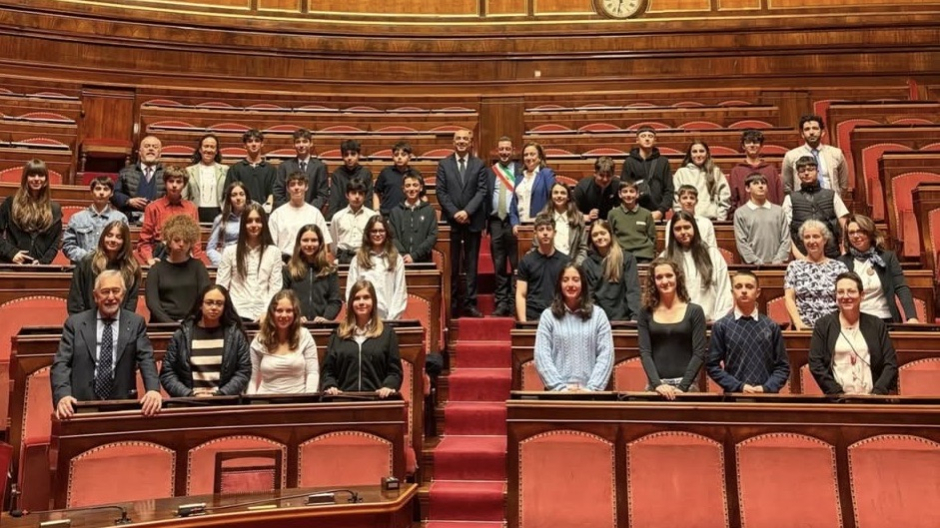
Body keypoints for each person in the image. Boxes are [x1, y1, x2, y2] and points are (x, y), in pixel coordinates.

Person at [51, 270, 162, 419]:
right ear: (96, 296)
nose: (111, 297)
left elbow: (146, 359)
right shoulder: (75, 324)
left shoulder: (136, 323)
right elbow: (61, 364)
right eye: (105, 292)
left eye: (116, 291)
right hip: (81, 405)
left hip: (122, 405)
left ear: (122, 294)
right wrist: (63, 396)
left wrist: (153, 390)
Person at [808, 272, 898, 395]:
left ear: (862, 295)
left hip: (874, 401)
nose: (845, 296)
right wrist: (837, 393)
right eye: (840, 292)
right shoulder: (823, 325)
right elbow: (815, 364)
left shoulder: (877, 324)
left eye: (851, 291)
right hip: (837, 402)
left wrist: (877, 393)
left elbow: (890, 364)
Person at [160, 285, 251, 397]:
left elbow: (243, 371)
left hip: (224, 404)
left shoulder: (236, 336)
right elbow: (167, 373)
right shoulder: (182, 335)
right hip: (188, 403)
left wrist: (220, 394)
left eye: (219, 303)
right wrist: (189, 394)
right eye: (209, 302)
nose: (214, 307)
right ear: (200, 305)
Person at [707, 271, 790, 393]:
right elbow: (712, 366)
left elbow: (783, 367)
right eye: (738, 286)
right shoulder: (721, 326)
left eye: (749, 286)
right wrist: (738, 386)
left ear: (758, 292)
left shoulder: (771, 326)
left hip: (767, 399)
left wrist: (766, 388)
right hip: (734, 398)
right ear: (732, 292)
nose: (744, 290)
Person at [534, 265, 614, 392]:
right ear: (559, 284)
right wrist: (560, 388)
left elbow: (606, 355)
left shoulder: (599, 315)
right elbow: (542, 356)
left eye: (575, 279)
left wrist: (591, 389)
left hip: (591, 396)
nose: (570, 284)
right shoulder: (548, 316)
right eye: (565, 280)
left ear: (583, 283)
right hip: (557, 396)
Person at [637, 258, 707, 399]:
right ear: (653, 282)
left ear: (677, 278)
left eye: (669, 275)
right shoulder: (645, 312)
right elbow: (645, 353)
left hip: (687, 387)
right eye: (659, 277)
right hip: (656, 387)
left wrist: (682, 388)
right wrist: (657, 385)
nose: (664, 281)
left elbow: (699, 353)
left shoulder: (695, 311)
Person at [436, 128, 487, 318]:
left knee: (472, 265)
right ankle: (454, 303)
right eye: (458, 138)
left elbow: (482, 191)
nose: (462, 141)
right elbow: (441, 192)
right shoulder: (444, 164)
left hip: (472, 221)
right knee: (452, 264)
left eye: (465, 139)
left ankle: (470, 304)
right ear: (453, 141)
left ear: (471, 142)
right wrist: (455, 212)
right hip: (451, 222)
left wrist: (467, 211)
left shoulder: (479, 165)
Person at [321, 280, 402, 397]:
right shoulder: (338, 334)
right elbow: (328, 371)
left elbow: (395, 372)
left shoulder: (387, 334)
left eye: (366, 297)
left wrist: (388, 386)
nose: (361, 302)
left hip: (377, 401)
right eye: (357, 298)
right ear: (350, 303)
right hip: (344, 400)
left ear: (373, 301)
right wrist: (330, 385)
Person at [838, 214, 919, 323]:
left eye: (861, 231)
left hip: (885, 319)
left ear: (870, 233)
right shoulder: (842, 262)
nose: (856, 236)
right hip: (854, 321)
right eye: (851, 233)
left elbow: (901, 287)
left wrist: (912, 317)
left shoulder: (887, 258)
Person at [216, 204, 283, 322]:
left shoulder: (274, 252)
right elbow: (222, 286)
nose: (254, 225)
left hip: (265, 315)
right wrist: (230, 313)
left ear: (264, 224)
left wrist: (267, 312)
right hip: (235, 314)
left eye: (258, 221)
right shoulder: (230, 251)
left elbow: (275, 288)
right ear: (243, 225)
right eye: (249, 221)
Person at [662, 210, 732, 321]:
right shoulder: (665, 258)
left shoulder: (712, 254)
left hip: (710, 321)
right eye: (678, 229)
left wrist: (718, 321)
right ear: (672, 232)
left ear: (694, 228)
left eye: (687, 227)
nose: (683, 232)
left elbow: (724, 289)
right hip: (677, 323)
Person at [247, 290, 319, 394]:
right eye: (279, 310)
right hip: (266, 401)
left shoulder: (305, 336)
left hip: (299, 401)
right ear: (272, 313)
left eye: (289, 311)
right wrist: (252, 405)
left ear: (295, 313)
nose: (284, 315)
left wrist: (308, 400)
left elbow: (313, 373)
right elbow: (251, 379)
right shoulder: (259, 340)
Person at [784, 220, 849, 330]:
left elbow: (846, 298)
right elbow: (789, 298)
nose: (811, 241)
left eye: (816, 236)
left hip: (834, 328)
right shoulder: (794, 267)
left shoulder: (839, 267)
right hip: (804, 328)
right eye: (807, 237)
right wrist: (798, 324)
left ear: (824, 239)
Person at [145, 214, 211, 323]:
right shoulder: (156, 270)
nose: (181, 244)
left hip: (192, 325)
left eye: (186, 241)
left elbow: (204, 298)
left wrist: (188, 324)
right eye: (177, 240)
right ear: (168, 241)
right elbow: (153, 304)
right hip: (162, 326)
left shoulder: (198, 267)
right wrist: (171, 324)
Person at [135, 165, 205, 266]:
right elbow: (144, 241)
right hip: (161, 256)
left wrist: (197, 262)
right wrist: (150, 260)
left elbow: (196, 241)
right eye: (171, 181)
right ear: (165, 183)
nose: (174, 185)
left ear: (184, 184)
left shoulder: (191, 208)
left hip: (185, 256)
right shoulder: (153, 207)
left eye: (179, 182)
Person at [783, 155, 849, 259]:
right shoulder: (790, 198)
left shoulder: (832, 195)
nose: (806, 173)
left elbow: (845, 224)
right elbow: (784, 230)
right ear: (798, 174)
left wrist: (844, 250)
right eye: (802, 170)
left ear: (817, 171)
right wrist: (797, 254)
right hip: (802, 254)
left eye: (810, 169)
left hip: (831, 253)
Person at [67, 220, 140, 315]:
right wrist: (82, 324)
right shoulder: (88, 262)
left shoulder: (132, 267)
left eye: (118, 237)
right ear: (103, 237)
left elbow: (131, 303)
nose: (113, 240)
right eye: (109, 235)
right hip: (88, 322)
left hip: (119, 323)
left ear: (125, 241)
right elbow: (76, 299)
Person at [0, 159, 62, 264]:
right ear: (25, 178)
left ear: (46, 179)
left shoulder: (54, 209)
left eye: (41, 175)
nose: (37, 179)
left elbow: (55, 242)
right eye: (32, 175)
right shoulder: (10, 203)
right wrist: (11, 253)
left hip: (39, 268)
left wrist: (43, 262)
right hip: (11, 264)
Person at [346, 215, 407, 320]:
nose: (378, 234)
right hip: (363, 319)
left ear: (387, 233)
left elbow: (400, 291)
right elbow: (351, 291)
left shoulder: (396, 259)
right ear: (368, 234)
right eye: (374, 231)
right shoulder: (358, 259)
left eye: (381, 231)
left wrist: (392, 319)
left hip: (388, 318)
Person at [581, 220, 641, 322]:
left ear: (610, 234)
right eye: (595, 235)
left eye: (603, 233)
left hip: (625, 318)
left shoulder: (627, 259)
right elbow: (589, 296)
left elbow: (632, 290)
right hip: (599, 320)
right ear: (591, 239)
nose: (600, 237)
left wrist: (635, 316)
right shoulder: (587, 264)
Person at [485, 136, 518, 316]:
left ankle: (514, 302)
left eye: (507, 149)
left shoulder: (519, 171)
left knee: (515, 264)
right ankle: (501, 303)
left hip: (514, 223)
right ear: (497, 152)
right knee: (498, 264)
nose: (504, 152)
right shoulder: (491, 172)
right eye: (501, 149)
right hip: (496, 221)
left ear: (512, 151)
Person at [283, 224, 342, 322]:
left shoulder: (330, 270)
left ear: (320, 243)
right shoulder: (288, 270)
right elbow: (284, 299)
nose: (309, 244)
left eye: (314, 240)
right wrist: (294, 316)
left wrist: (326, 318)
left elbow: (335, 301)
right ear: (299, 243)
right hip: (295, 324)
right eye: (305, 240)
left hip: (321, 325)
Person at [63, 175, 128, 264]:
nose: (101, 193)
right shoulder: (77, 218)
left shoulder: (120, 218)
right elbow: (68, 246)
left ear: (111, 193)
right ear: (91, 192)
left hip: (111, 269)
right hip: (83, 267)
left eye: (105, 189)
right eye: (98, 189)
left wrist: (106, 259)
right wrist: (90, 258)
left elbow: (125, 246)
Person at [516, 213, 569, 322]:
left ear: (554, 233)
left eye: (549, 229)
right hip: (532, 315)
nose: (545, 233)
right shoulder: (526, 261)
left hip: (558, 314)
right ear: (535, 234)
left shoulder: (566, 262)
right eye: (541, 229)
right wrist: (524, 323)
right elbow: (521, 294)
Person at [268, 171, 331, 259]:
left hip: (310, 261)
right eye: (292, 184)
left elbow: (325, 243)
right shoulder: (277, 214)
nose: (296, 187)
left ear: (306, 187)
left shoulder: (315, 213)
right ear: (287, 188)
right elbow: (271, 247)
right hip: (285, 263)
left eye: (300, 184)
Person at [782, 114, 849, 197]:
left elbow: (844, 185)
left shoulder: (836, 153)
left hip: (831, 203)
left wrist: (836, 199)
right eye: (807, 129)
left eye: (815, 128)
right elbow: (787, 187)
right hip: (804, 204)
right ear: (802, 134)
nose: (811, 132)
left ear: (822, 132)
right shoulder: (791, 156)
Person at [733, 173, 791, 265]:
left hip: (777, 266)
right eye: (756, 183)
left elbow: (786, 239)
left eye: (763, 183)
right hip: (751, 267)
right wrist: (755, 261)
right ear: (747, 188)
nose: (760, 186)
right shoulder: (740, 213)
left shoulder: (779, 211)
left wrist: (778, 260)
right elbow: (741, 242)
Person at [619, 127, 674, 221]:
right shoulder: (629, 162)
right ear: (637, 140)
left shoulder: (663, 162)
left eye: (650, 136)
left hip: (657, 213)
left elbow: (669, 189)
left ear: (655, 140)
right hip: (634, 212)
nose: (647, 139)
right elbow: (624, 188)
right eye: (643, 136)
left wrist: (661, 211)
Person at [728, 129, 784, 213]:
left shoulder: (770, 170)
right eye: (748, 142)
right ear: (743, 146)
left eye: (756, 142)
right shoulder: (736, 171)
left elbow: (779, 196)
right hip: (746, 217)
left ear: (761, 145)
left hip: (769, 215)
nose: (752, 145)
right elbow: (733, 199)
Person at [672, 141, 731, 221]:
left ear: (707, 154)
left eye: (702, 151)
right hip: (687, 220)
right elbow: (675, 198)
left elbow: (725, 198)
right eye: (694, 152)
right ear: (690, 154)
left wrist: (720, 218)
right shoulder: (681, 173)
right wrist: (681, 218)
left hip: (712, 220)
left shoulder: (716, 172)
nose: (698, 155)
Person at [273, 128, 328, 210]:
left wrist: (308, 210)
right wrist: (287, 209)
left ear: (311, 143)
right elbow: (278, 192)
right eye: (298, 142)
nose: (301, 145)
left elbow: (322, 194)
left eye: (305, 141)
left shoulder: (320, 167)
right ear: (294, 145)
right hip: (288, 212)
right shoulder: (284, 166)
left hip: (311, 213)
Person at [389, 173, 438, 264]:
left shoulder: (429, 211)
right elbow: (392, 237)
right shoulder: (395, 212)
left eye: (415, 185)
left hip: (423, 261)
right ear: (403, 189)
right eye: (408, 186)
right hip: (400, 261)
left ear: (421, 188)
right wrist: (404, 256)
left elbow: (432, 236)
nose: (411, 189)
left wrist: (414, 256)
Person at [113, 135, 164, 222]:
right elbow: (115, 194)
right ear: (140, 152)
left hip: (159, 219)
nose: (151, 149)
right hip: (130, 219)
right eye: (147, 146)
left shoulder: (167, 173)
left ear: (160, 154)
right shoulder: (126, 172)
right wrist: (129, 201)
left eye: (155, 147)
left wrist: (158, 205)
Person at [224, 129, 276, 213]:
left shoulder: (271, 170)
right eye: (250, 141)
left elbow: (273, 192)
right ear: (245, 145)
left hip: (264, 214)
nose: (254, 144)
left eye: (257, 141)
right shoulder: (235, 169)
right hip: (240, 213)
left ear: (262, 144)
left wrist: (267, 206)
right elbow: (229, 192)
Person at [607, 179, 656, 263]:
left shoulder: (646, 214)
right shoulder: (612, 214)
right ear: (619, 194)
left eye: (631, 191)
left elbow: (652, 237)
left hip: (643, 254)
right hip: (621, 254)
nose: (628, 195)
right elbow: (611, 235)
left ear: (637, 194)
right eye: (625, 192)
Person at [510, 141, 555, 231]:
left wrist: (543, 219)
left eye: (532, 154)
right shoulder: (519, 177)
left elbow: (552, 199)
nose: (529, 157)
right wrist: (514, 224)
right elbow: (513, 204)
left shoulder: (546, 174)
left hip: (540, 226)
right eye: (526, 155)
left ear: (539, 157)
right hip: (521, 226)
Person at [329, 178, 376, 264]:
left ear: (365, 196)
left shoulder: (372, 217)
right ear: (347, 195)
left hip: (366, 257)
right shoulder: (337, 217)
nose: (357, 196)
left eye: (360, 193)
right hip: (342, 258)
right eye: (353, 193)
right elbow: (333, 244)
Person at [184, 133, 228, 223]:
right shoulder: (189, 171)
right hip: (195, 212)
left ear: (216, 151)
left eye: (212, 147)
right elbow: (184, 197)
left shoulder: (225, 170)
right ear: (200, 149)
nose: (208, 150)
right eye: (206, 146)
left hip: (219, 212)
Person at [541, 181, 587, 265]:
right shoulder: (542, 216)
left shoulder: (578, 217)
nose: (559, 196)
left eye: (563, 193)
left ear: (568, 197)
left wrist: (575, 266)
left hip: (571, 264)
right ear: (551, 196)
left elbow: (583, 248)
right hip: (547, 264)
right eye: (556, 193)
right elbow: (537, 246)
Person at [206, 181, 250, 267]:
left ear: (246, 197)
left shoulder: (253, 218)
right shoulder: (220, 219)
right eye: (234, 195)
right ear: (229, 198)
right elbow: (210, 248)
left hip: (248, 261)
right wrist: (223, 262)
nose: (238, 198)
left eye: (241, 194)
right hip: (225, 261)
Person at [328, 139, 373, 220]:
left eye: (353, 154)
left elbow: (368, 200)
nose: (349, 158)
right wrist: (332, 219)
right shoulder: (337, 174)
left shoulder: (366, 173)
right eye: (346, 155)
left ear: (358, 155)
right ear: (342, 156)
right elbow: (334, 200)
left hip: (362, 216)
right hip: (342, 217)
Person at [664, 184, 718, 250]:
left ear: (696, 201)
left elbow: (713, 248)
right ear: (679, 201)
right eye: (684, 198)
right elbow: (669, 248)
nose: (688, 201)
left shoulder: (706, 223)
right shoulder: (671, 223)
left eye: (692, 198)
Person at [375, 141, 420, 217]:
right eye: (396, 155)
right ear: (392, 157)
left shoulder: (415, 174)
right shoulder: (385, 173)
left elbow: (422, 195)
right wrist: (376, 211)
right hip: (387, 214)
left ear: (409, 157)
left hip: (409, 214)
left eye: (403, 155)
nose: (399, 157)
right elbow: (376, 192)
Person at [574, 156, 621, 224]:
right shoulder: (582, 187)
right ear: (595, 173)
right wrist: (587, 217)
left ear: (613, 175)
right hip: (586, 224)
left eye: (608, 176)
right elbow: (572, 213)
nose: (605, 179)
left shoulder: (617, 185)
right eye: (601, 175)